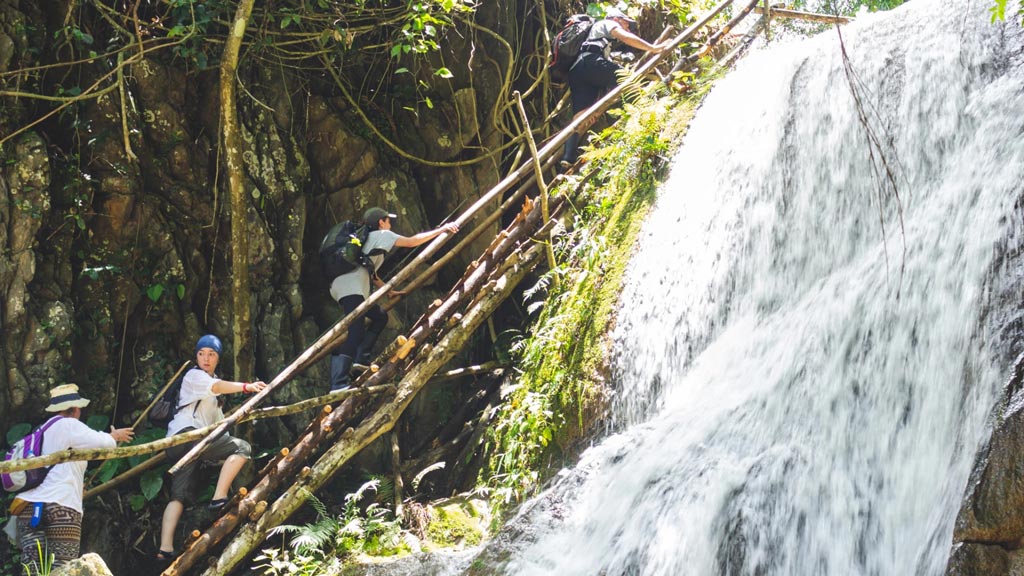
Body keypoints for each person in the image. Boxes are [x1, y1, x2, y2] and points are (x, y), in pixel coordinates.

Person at [157, 334, 266, 564]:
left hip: (181, 447)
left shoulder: (213, 397)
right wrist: (247, 387)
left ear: (217, 359)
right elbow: (216, 386)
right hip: (187, 438)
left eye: (211, 354)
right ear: (196, 356)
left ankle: (164, 549)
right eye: (201, 353)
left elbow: (220, 432)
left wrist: (219, 456)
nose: (205, 358)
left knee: (179, 497)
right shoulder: (194, 376)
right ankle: (219, 497)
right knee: (242, 448)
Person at [328, 207, 459, 391]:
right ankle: (338, 383)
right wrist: (442, 229)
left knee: (380, 316)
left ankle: (360, 360)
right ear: (381, 222)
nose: (390, 224)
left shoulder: (367, 241)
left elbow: (370, 272)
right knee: (356, 330)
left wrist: (388, 291)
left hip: (344, 286)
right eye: (388, 221)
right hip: (351, 287)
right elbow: (413, 241)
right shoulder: (382, 234)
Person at [14, 384, 134, 573]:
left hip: (28, 508)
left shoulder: (40, 431)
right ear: (76, 409)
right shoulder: (68, 424)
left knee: (32, 569)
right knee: (62, 567)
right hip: (61, 507)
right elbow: (103, 444)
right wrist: (114, 436)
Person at [561, 7, 670, 167]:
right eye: (626, 24)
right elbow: (624, 37)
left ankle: (568, 157)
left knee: (582, 116)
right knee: (628, 81)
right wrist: (653, 48)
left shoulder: (598, 39)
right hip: (590, 63)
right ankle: (643, 117)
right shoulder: (606, 23)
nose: (627, 28)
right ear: (617, 19)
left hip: (578, 71)